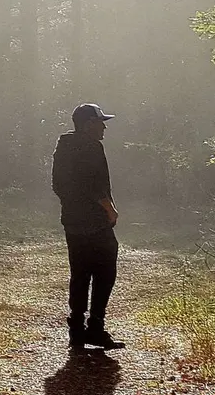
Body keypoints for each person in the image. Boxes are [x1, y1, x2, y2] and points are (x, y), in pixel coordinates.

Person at [52, 102, 125, 350]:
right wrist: (109, 208)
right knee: (105, 273)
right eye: (100, 122)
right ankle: (95, 327)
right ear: (88, 125)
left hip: (72, 222)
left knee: (80, 274)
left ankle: (76, 330)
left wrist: (73, 208)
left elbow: (58, 186)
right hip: (95, 222)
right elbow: (93, 184)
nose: (103, 128)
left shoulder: (63, 147)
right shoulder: (92, 147)